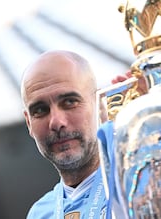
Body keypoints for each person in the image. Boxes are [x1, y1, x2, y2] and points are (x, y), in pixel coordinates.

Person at [21, 50, 107, 218]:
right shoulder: (38, 214)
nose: (56, 122)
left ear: (100, 106)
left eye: (69, 102)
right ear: (29, 123)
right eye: (40, 110)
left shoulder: (137, 186)